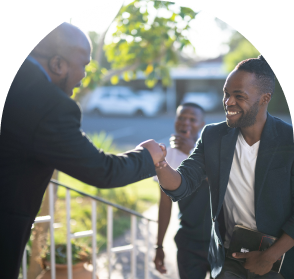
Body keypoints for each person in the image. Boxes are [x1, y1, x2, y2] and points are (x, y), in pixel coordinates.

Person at [0, 22, 166, 279]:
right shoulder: (48, 104)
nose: (85, 75)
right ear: (58, 64)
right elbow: (101, 170)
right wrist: (147, 156)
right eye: (85, 65)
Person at [155, 55, 294, 279]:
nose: (228, 102)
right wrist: (160, 164)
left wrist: (269, 257)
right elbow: (183, 183)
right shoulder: (213, 136)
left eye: (238, 96)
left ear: (264, 98)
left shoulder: (289, 140)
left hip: (277, 260)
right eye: (226, 94)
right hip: (229, 258)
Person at [153, 103, 212, 279]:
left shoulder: (214, 149)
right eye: (181, 117)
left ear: (202, 124)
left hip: (221, 241)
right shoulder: (168, 156)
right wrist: (159, 246)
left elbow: (223, 184)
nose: (186, 123)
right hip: (189, 242)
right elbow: (165, 204)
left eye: (192, 119)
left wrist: (191, 151)